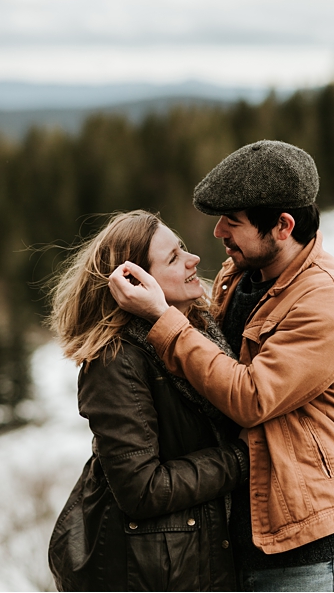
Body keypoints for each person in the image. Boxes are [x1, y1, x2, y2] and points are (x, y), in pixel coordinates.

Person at [108, 140, 334, 593]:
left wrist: (161, 318)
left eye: (233, 222)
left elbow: (250, 398)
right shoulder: (240, 276)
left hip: (307, 552)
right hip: (237, 539)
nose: (218, 234)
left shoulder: (330, 299)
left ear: (283, 226)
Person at [47, 210, 247, 591]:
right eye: (173, 258)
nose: (194, 260)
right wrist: (240, 459)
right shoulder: (115, 360)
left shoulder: (203, 329)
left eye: (183, 248)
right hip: (155, 572)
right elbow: (142, 489)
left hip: (201, 555)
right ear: (135, 283)